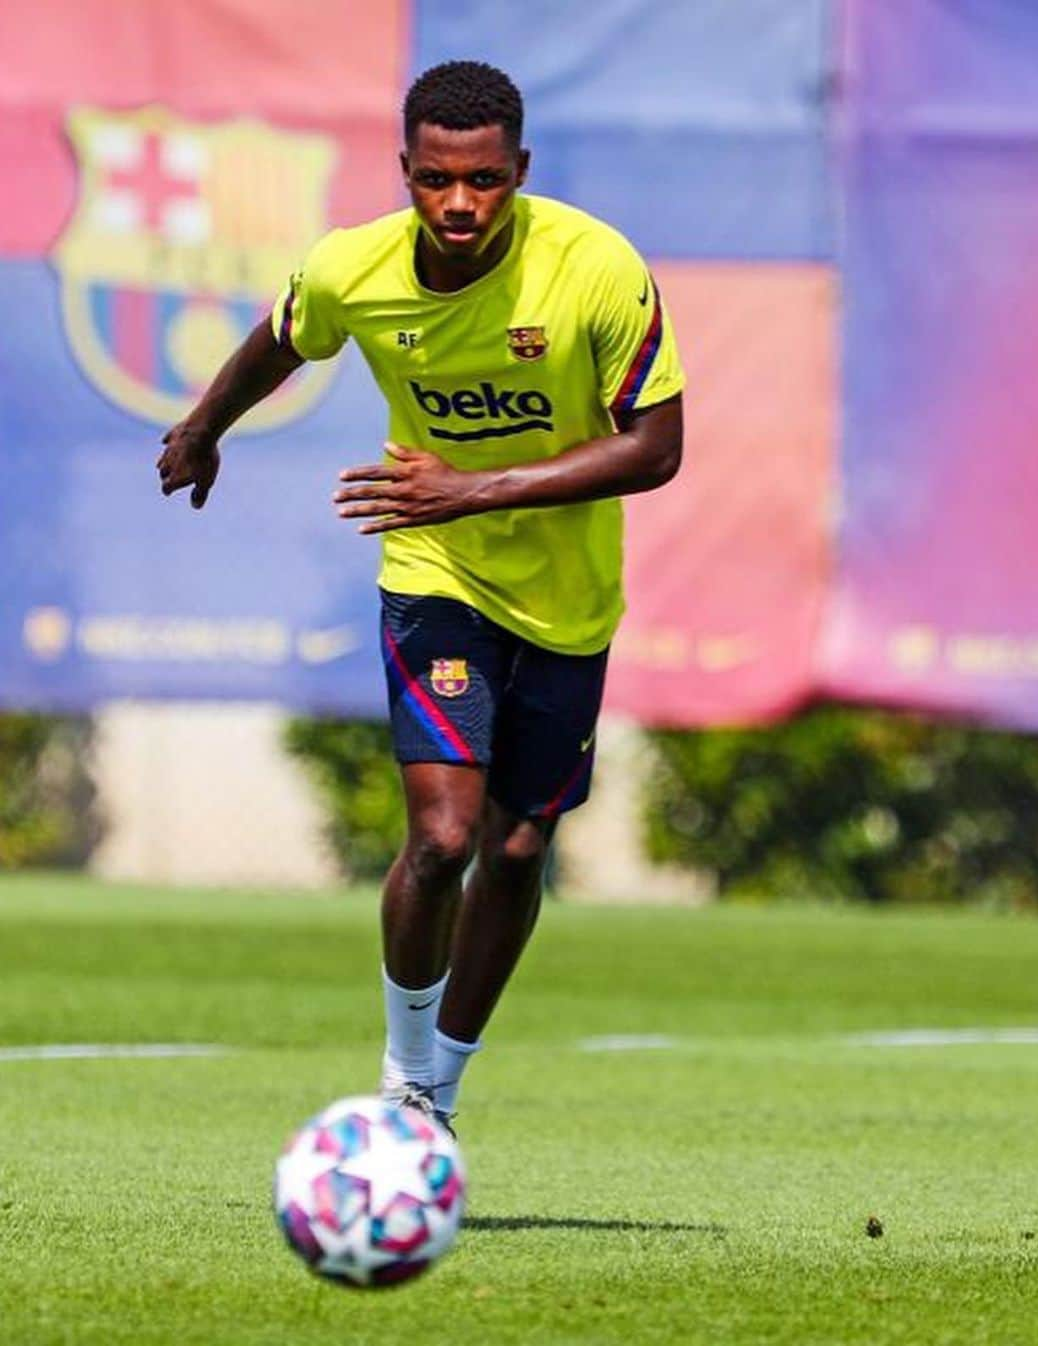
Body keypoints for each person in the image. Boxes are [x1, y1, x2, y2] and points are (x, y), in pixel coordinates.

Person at [157, 60, 685, 1130]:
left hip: (569, 596)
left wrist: (472, 485)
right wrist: (207, 423)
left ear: (519, 171)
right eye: (436, 178)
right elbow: (282, 334)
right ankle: (406, 1080)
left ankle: (445, 1075)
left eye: (484, 181)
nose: (458, 203)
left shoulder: (595, 267)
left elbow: (658, 447)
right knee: (444, 838)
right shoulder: (354, 267)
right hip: (434, 570)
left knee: (521, 845)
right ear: (405, 169)